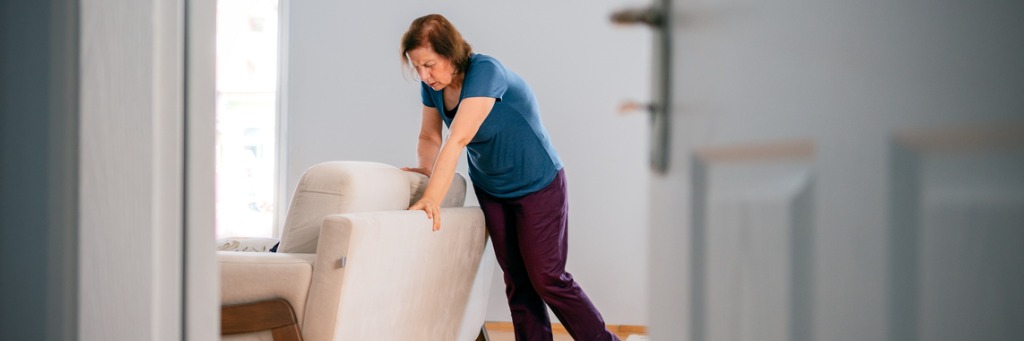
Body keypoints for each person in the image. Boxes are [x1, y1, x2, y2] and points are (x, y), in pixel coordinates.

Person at [400, 14, 620, 341]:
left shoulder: (486, 73)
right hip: (492, 188)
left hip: (539, 184)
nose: (423, 74)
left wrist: (431, 198)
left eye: (429, 64)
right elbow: (430, 137)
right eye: (417, 67)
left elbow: (457, 138)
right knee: (516, 278)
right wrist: (423, 168)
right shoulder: (432, 86)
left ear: (451, 53)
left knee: (547, 277)